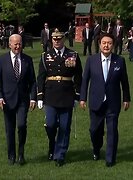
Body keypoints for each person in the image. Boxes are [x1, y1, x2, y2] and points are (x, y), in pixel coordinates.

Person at [80, 33, 131, 167]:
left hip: (113, 102)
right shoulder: (91, 60)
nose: (106, 45)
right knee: (94, 130)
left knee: (112, 130)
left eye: (109, 43)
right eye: (104, 43)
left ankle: (110, 159)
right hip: (96, 101)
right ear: (99, 44)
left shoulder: (119, 61)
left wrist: (126, 98)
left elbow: (124, 82)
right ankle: (96, 149)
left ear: (112, 45)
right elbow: (85, 80)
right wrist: (82, 98)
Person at [37, 29, 82, 167]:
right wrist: (39, 96)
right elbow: (41, 77)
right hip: (50, 95)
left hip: (67, 94)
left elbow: (79, 77)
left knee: (64, 127)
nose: (57, 41)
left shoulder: (72, 55)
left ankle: (60, 154)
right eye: (54, 39)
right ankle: (53, 143)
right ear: (51, 40)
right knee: (50, 124)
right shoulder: (45, 56)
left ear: (63, 39)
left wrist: (77, 96)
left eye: (59, 39)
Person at [0, 34, 37, 166]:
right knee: (10, 129)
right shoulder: (2, 60)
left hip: (23, 100)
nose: (18, 46)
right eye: (15, 44)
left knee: (22, 125)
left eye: (19, 44)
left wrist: (33, 98)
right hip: (7, 100)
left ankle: (21, 154)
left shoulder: (27, 60)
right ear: (10, 44)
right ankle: (11, 155)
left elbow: (32, 82)